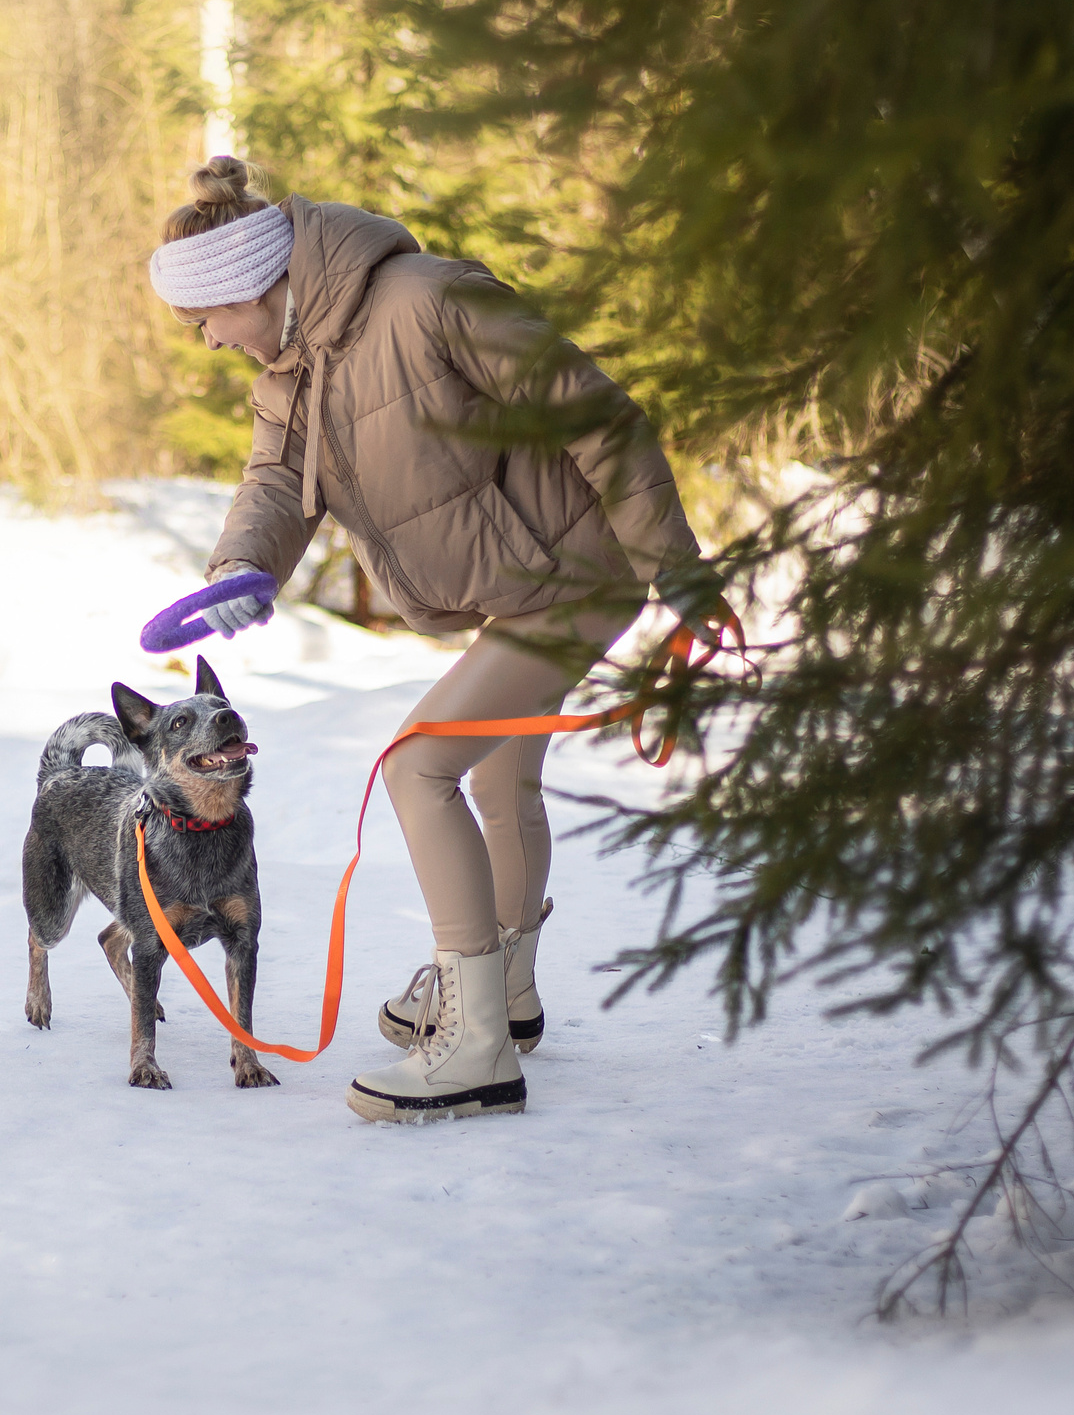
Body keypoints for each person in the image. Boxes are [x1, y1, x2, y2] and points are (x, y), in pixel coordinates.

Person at [148, 156, 723, 1124]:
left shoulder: (427, 301)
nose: (206, 342)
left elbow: (597, 412)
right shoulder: (293, 367)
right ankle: (507, 995)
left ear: (248, 288)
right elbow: (276, 488)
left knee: (419, 765)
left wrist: (683, 572)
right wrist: (237, 574)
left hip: (577, 572)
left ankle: (474, 1047)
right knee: (498, 775)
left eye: (204, 320)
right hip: (530, 580)